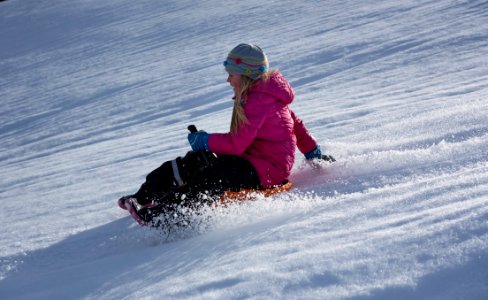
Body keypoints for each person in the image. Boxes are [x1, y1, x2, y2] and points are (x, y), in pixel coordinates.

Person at [118, 43, 334, 228]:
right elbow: (297, 126)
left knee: (214, 175)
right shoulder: (264, 95)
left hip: (268, 171)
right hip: (253, 160)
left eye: (232, 74)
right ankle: (144, 197)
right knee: (196, 161)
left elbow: (237, 144)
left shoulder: (258, 101)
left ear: (247, 75)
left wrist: (204, 140)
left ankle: (168, 216)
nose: (228, 80)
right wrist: (313, 152)